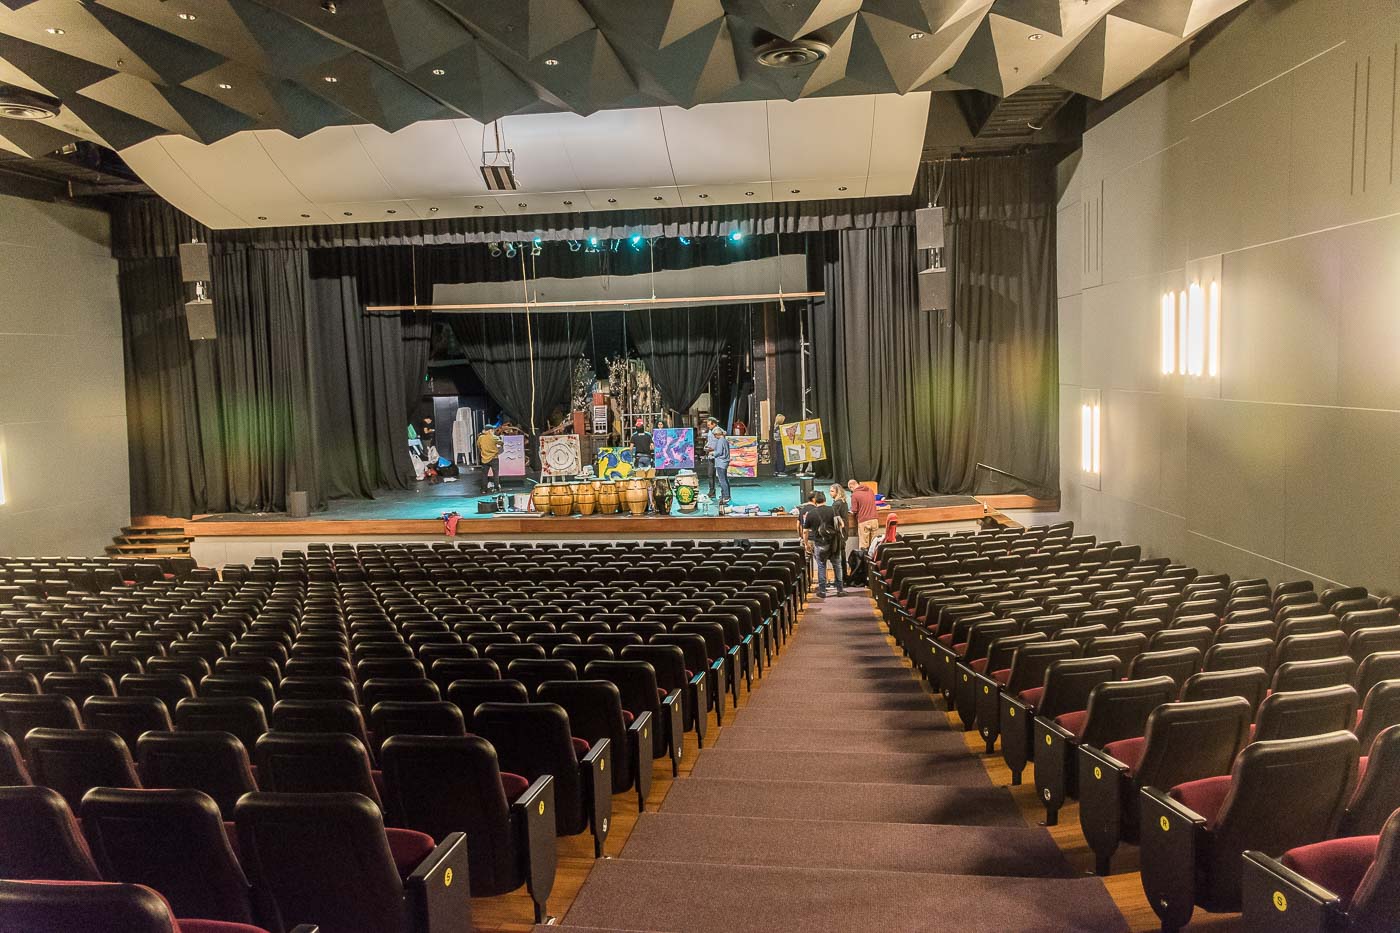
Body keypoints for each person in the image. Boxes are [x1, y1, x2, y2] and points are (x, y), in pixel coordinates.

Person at [801, 491, 845, 597]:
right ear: (825, 500)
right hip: (834, 543)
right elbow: (841, 525)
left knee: (821, 566)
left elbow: (805, 531)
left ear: (815, 501)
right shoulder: (833, 510)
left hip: (820, 544)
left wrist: (806, 543)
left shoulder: (811, 513)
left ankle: (822, 591)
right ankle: (840, 590)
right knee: (837, 566)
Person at [849, 479, 880, 552]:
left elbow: (854, 510)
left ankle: (863, 562)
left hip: (864, 521)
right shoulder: (870, 490)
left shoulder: (855, 495)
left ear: (851, 487)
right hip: (875, 520)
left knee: (863, 545)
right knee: (875, 544)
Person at [707, 425, 731, 504]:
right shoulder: (724, 440)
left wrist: (712, 453)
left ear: (717, 434)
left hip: (721, 462)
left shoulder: (720, 441)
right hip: (724, 462)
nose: (714, 437)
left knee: (722, 480)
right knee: (725, 479)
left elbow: (719, 452)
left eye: (714, 435)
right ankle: (726, 495)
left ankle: (726, 496)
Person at [829, 483, 853, 555]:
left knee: (839, 552)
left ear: (837, 492)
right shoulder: (843, 502)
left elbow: (835, 518)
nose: (830, 493)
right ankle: (843, 566)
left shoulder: (836, 504)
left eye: (832, 491)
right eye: (830, 491)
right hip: (844, 528)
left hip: (840, 530)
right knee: (842, 550)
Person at [477, 422, 501, 491]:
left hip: (484, 459)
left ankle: (484, 489)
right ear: (490, 430)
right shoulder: (494, 437)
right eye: (492, 430)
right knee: (495, 474)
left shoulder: (480, 438)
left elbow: (478, 446)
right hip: (494, 458)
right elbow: (501, 442)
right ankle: (496, 488)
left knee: (484, 475)